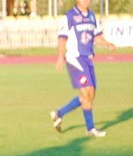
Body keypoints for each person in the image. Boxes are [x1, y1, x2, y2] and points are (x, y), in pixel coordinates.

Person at [50, 0, 116, 138]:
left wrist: (107, 44)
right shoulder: (69, 16)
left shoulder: (92, 16)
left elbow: (96, 37)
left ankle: (59, 113)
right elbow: (62, 39)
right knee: (87, 93)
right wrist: (60, 57)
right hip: (75, 59)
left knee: (90, 95)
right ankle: (90, 128)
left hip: (88, 60)